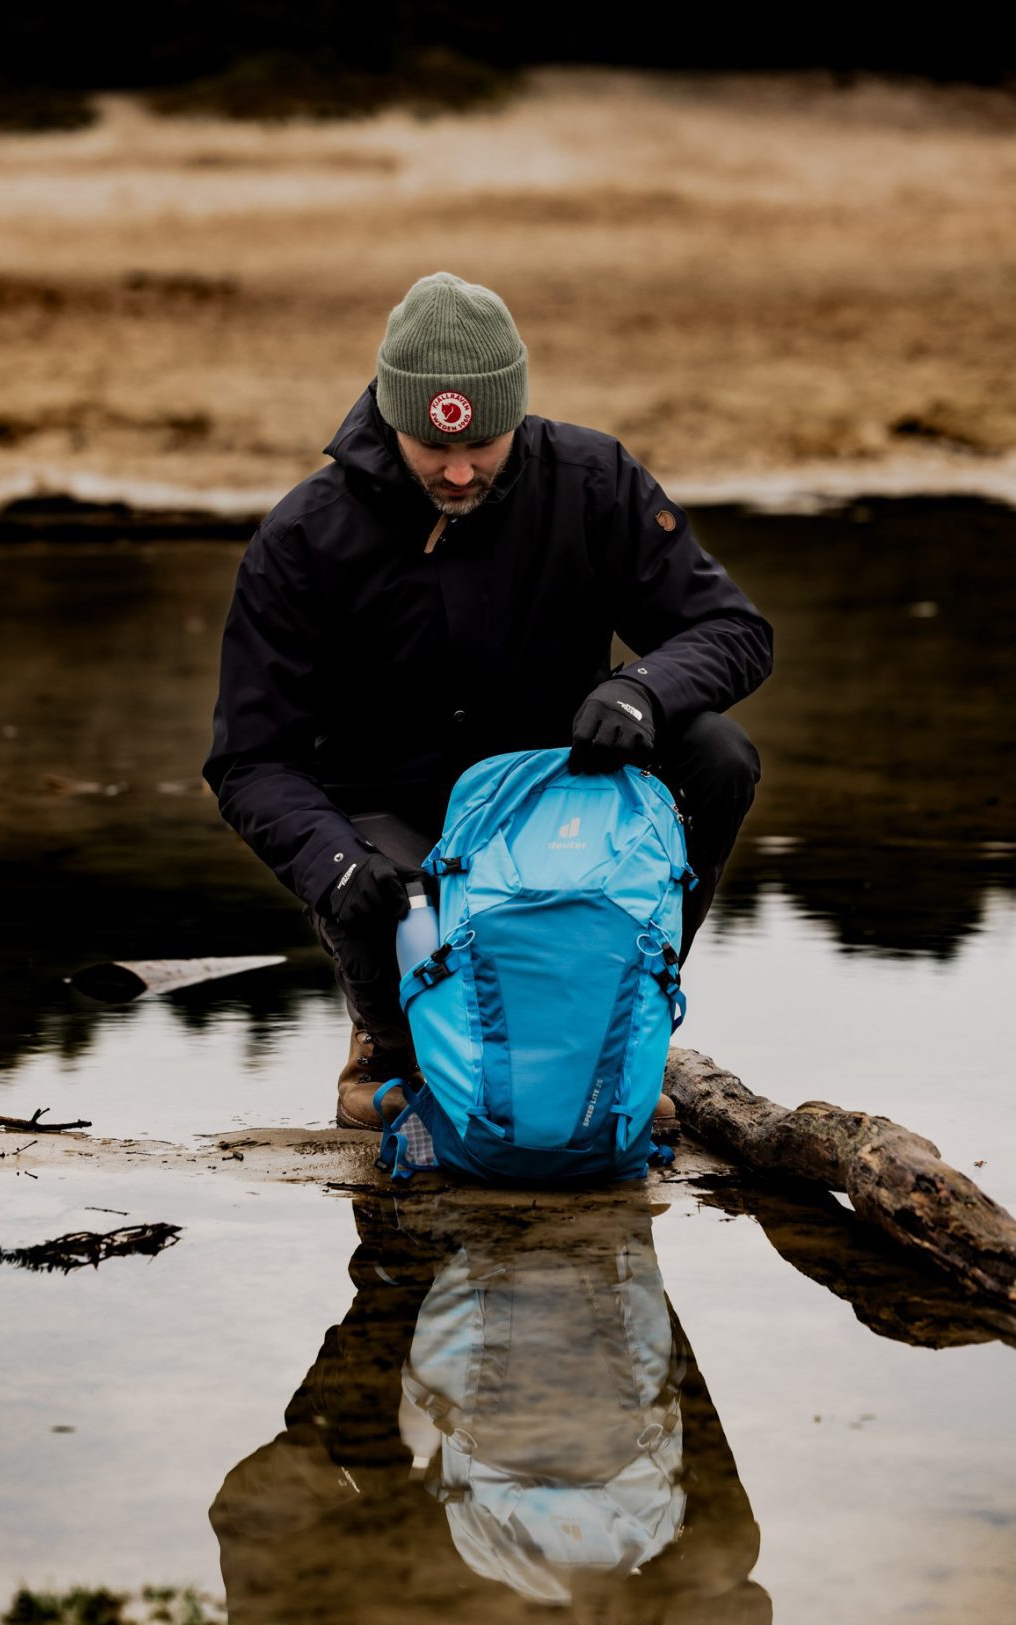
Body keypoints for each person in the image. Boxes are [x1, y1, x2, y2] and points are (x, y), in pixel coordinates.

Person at [204, 272, 772, 1129]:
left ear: (514, 412)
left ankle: (621, 1018)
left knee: (716, 754)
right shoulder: (301, 538)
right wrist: (331, 862)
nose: (460, 471)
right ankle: (385, 1043)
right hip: (391, 815)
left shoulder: (593, 480)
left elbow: (732, 631)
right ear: (393, 418)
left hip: (563, 794)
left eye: (484, 445)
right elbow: (249, 759)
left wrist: (641, 690)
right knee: (364, 884)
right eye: (432, 450)